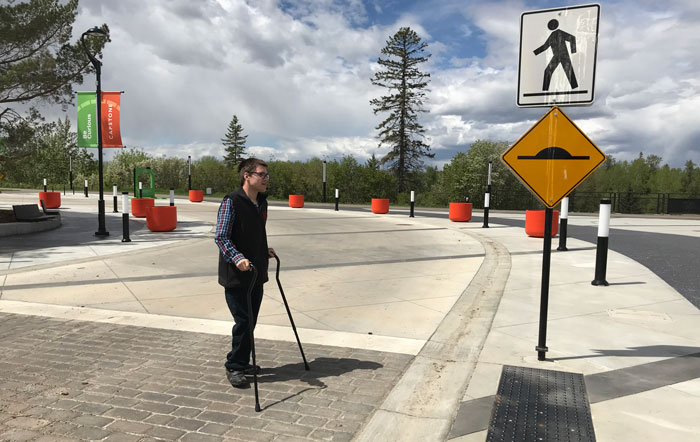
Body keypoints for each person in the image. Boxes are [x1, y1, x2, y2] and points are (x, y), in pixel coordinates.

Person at [214, 158, 275, 388]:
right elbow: (221, 236)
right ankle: (235, 366)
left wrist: (263, 249)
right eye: (262, 174)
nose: (266, 179)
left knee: (251, 321)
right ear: (247, 176)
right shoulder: (232, 201)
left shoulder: (262, 203)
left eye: (267, 175)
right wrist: (237, 257)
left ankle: (241, 360)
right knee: (243, 321)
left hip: (256, 273)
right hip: (236, 275)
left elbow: (254, 233)